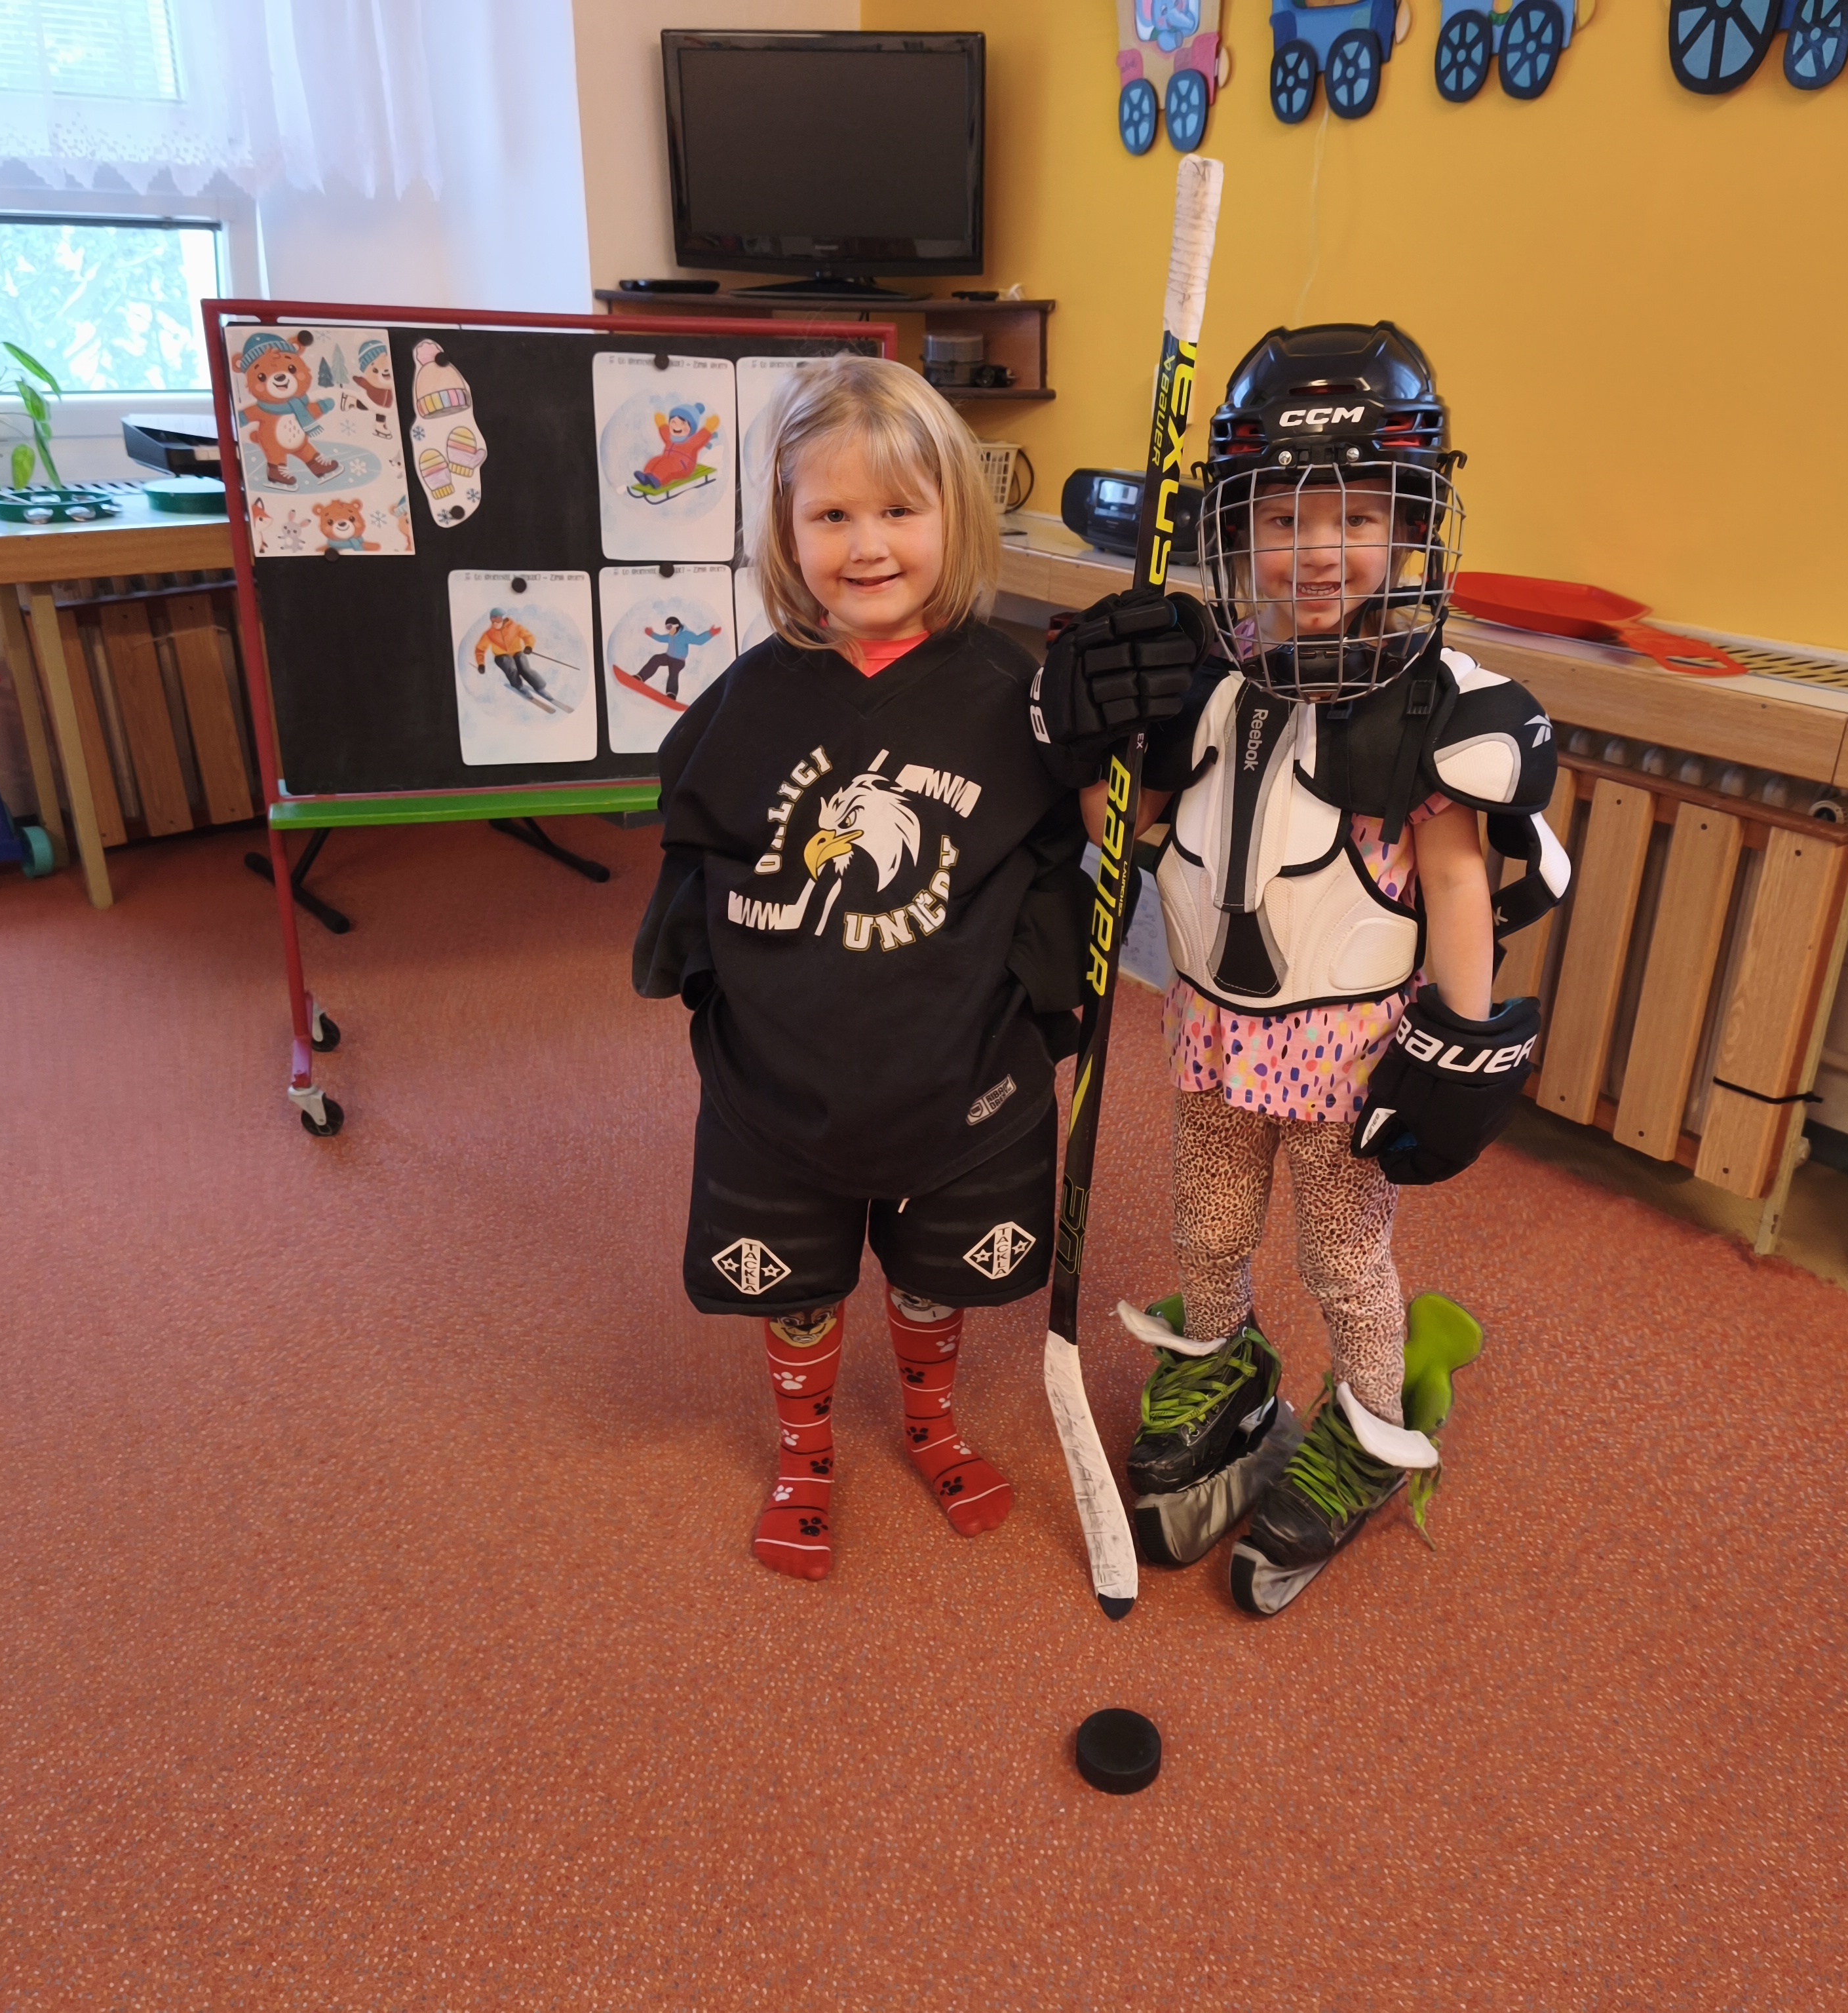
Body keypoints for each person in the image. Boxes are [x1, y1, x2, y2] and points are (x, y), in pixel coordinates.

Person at [1032, 322, 1569, 1617]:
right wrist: (1099, 732)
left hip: (1350, 1060)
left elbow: (1455, 883)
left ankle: (1372, 1423)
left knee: (1342, 1259)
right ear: (1233, 530)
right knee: (1207, 1227)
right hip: (1216, 1034)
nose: (1318, 550)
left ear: (1411, 525)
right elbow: (1132, 829)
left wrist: (1459, 1045)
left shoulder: (1433, 708)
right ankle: (1218, 1364)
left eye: (1356, 516)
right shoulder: (1201, 687)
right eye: (1282, 518)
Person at [632, 355, 1187, 1581]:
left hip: (962, 1077)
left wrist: (1142, 731)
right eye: (832, 513)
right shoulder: (743, 704)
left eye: (899, 509)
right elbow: (693, 868)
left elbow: (1112, 841)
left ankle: (931, 1424)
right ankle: (806, 1450)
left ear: (955, 516)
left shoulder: (1017, 695)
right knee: (796, 1281)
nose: (868, 544)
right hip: (783, 1084)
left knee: (941, 1276)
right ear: (785, 529)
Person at [474, 609, 554, 706]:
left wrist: (529, 646)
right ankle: (519, 686)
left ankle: (540, 687)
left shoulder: (515, 628)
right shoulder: (489, 634)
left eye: (498, 620)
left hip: (517, 653)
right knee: (511, 666)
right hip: (501, 657)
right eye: (493, 620)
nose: (495, 623)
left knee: (524, 667)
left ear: (504, 619)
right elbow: (480, 649)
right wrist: (481, 664)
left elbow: (528, 636)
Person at [632, 614, 721, 699]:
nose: (668, 630)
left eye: (669, 627)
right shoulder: (671, 636)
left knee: (673, 672)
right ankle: (640, 677)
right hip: (668, 657)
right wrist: (651, 634)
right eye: (667, 628)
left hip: (678, 661)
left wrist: (711, 633)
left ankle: (672, 694)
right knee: (656, 659)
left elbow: (699, 641)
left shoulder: (686, 635)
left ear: (676, 626)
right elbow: (660, 639)